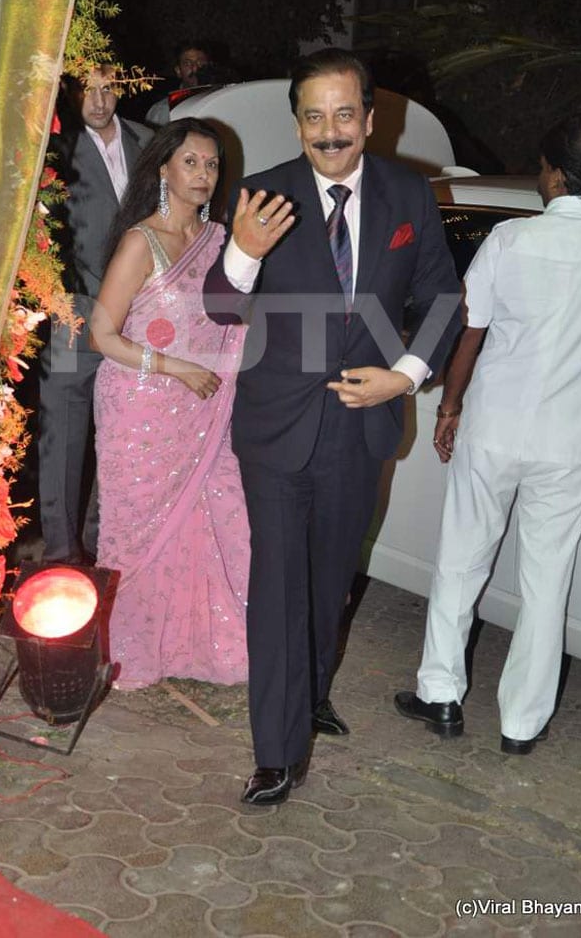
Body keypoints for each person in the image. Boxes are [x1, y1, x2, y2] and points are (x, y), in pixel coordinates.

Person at [203, 48, 461, 804]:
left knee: (331, 575)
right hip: (278, 427)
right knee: (280, 583)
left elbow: (443, 296)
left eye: (343, 114)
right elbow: (221, 307)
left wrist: (406, 375)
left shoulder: (408, 196)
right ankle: (277, 752)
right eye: (312, 116)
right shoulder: (263, 194)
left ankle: (311, 694)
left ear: (370, 119)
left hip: (361, 423)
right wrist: (243, 258)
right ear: (297, 122)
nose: (328, 131)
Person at [395, 112, 581, 755]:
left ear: (553, 174)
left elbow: (472, 330)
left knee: (462, 560)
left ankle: (440, 694)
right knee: (549, 581)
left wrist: (449, 406)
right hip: (573, 444)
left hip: (495, 427)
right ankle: (521, 723)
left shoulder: (513, 241)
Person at [90, 118, 249, 687]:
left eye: (211, 165)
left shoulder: (221, 241)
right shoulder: (143, 240)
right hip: (140, 407)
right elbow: (101, 335)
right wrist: (176, 367)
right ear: (163, 169)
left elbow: (238, 318)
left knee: (219, 511)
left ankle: (202, 645)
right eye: (191, 162)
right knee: (137, 529)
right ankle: (135, 649)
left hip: (205, 410)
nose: (203, 174)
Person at [38, 65, 152, 564]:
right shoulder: (54, 151)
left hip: (140, 312)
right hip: (75, 313)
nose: (100, 102)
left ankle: (106, 543)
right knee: (62, 431)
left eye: (109, 90)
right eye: (89, 91)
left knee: (125, 430)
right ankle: (62, 552)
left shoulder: (150, 140)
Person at [145, 42, 211, 127]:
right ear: (178, 71)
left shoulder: (221, 100)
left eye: (200, 63)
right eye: (188, 64)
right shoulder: (162, 110)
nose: (195, 68)